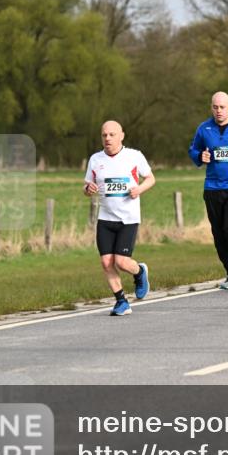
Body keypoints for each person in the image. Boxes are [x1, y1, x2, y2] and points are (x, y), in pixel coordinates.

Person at [84, 121, 155, 315]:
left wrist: (138, 189)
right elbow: (87, 186)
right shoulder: (95, 159)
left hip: (128, 219)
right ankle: (121, 301)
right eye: (104, 135)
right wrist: (88, 189)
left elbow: (151, 178)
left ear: (121, 136)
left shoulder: (134, 156)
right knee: (107, 262)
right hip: (105, 218)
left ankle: (139, 272)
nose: (107, 138)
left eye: (112, 135)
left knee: (122, 262)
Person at [189, 91, 228, 290]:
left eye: (222, 107)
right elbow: (193, 150)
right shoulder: (204, 128)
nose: (219, 111)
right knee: (219, 234)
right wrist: (201, 157)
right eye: (215, 107)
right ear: (211, 108)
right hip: (212, 188)